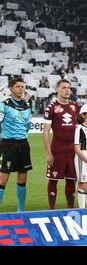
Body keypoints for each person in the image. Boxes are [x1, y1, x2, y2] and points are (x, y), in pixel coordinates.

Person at [43, 79, 79, 209]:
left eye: (69, 87)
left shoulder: (75, 106)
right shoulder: (51, 107)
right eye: (64, 87)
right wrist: (49, 153)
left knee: (71, 179)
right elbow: (46, 132)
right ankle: (52, 210)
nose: (67, 90)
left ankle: (70, 209)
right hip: (57, 149)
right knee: (53, 180)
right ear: (57, 89)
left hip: (72, 150)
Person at [0, 78, 33, 212]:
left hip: (23, 145)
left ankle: (21, 210)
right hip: (8, 145)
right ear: (11, 89)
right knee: (3, 179)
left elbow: (27, 126)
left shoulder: (27, 105)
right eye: (18, 86)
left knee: (22, 177)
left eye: (22, 86)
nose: (21, 89)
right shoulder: (4, 104)